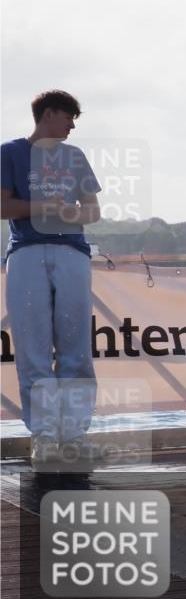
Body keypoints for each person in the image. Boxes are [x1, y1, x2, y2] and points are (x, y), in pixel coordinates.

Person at [1, 90, 103, 465]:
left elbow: (93, 212)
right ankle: (44, 436)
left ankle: (75, 434)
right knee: (33, 348)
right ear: (48, 115)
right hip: (26, 251)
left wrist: (68, 214)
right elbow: (2, 205)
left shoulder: (74, 157)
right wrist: (43, 207)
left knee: (76, 345)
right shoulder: (10, 152)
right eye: (68, 117)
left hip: (72, 252)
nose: (72, 126)